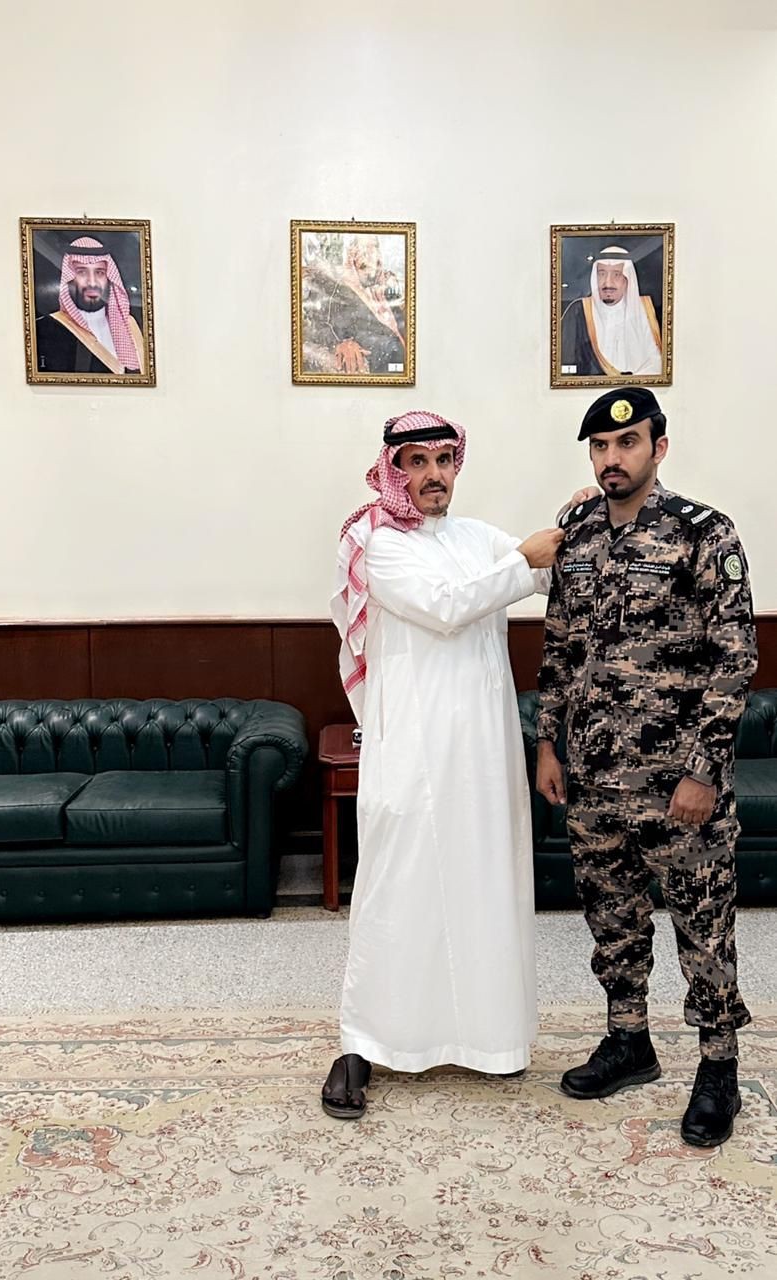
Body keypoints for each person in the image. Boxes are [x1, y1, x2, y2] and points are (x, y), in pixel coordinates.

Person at [323, 409, 566, 1117]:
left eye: (444, 460)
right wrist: (525, 560)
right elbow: (447, 606)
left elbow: (546, 575)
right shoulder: (378, 543)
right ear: (393, 470)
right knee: (396, 890)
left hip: (483, 752)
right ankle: (362, 1043)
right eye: (417, 462)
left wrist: (577, 523)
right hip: (413, 750)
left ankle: (489, 1040)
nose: (433, 475)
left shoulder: (477, 537)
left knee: (483, 884)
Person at [536, 386, 758, 1147]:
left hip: (678, 786)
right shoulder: (576, 536)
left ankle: (718, 1066)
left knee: (704, 926)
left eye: (626, 444)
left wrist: (703, 771)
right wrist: (548, 744)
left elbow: (736, 659)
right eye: (599, 446)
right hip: (595, 779)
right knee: (613, 921)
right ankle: (629, 1040)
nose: (612, 458)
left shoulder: (704, 532)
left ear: (658, 448)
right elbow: (560, 649)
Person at [35, 236, 144, 375]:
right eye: (82, 272)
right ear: (70, 278)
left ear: (108, 277)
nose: (92, 282)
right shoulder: (46, 328)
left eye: (99, 272)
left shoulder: (134, 324)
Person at [301, 234, 405, 375]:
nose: (370, 255)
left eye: (374, 247)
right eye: (361, 249)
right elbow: (317, 327)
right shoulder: (336, 292)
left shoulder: (389, 291)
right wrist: (338, 345)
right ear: (350, 255)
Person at [561, 246, 662, 377]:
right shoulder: (578, 311)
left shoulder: (647, 312)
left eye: (617, 274)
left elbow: (657, 363)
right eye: (602, 274)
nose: (608, 283)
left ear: (627, 279)